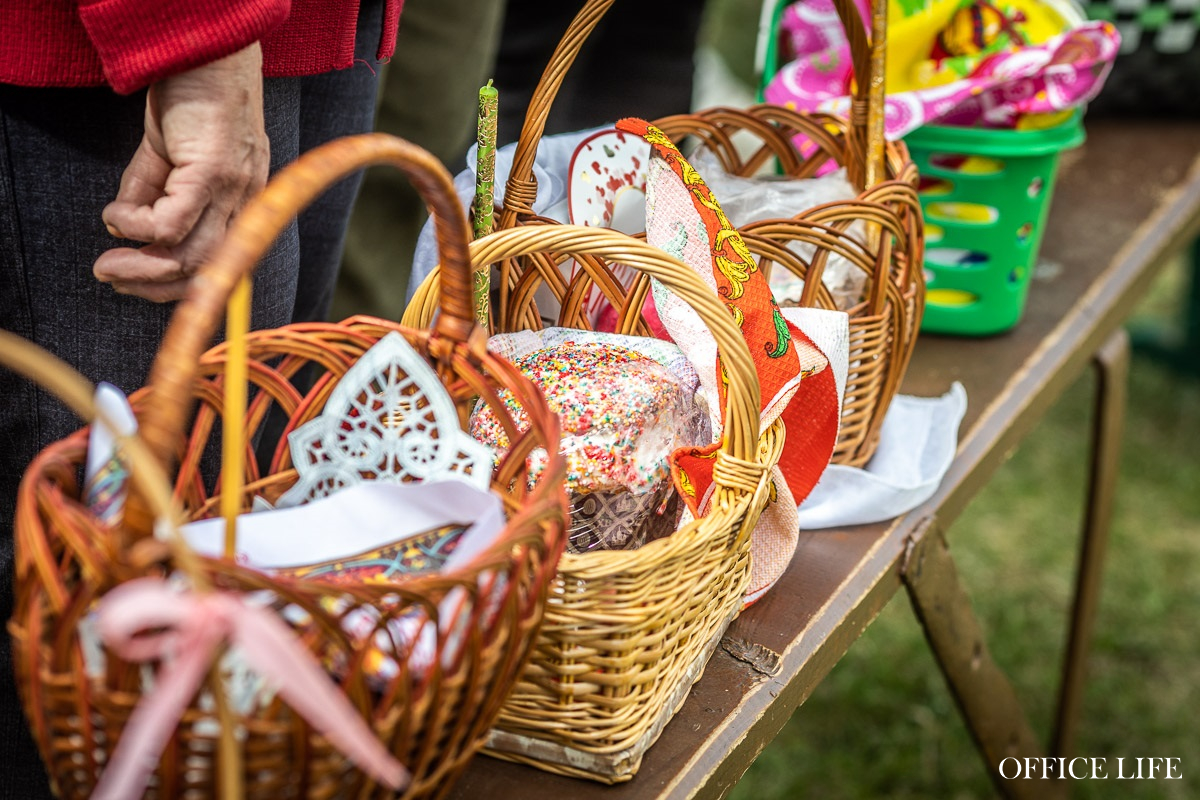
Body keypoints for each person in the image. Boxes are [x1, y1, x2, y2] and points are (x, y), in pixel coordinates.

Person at [0, 1, 401, 796]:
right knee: (103, 593)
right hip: (115, 43)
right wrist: (196, 37)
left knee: (240, 509)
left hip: (297, 25)